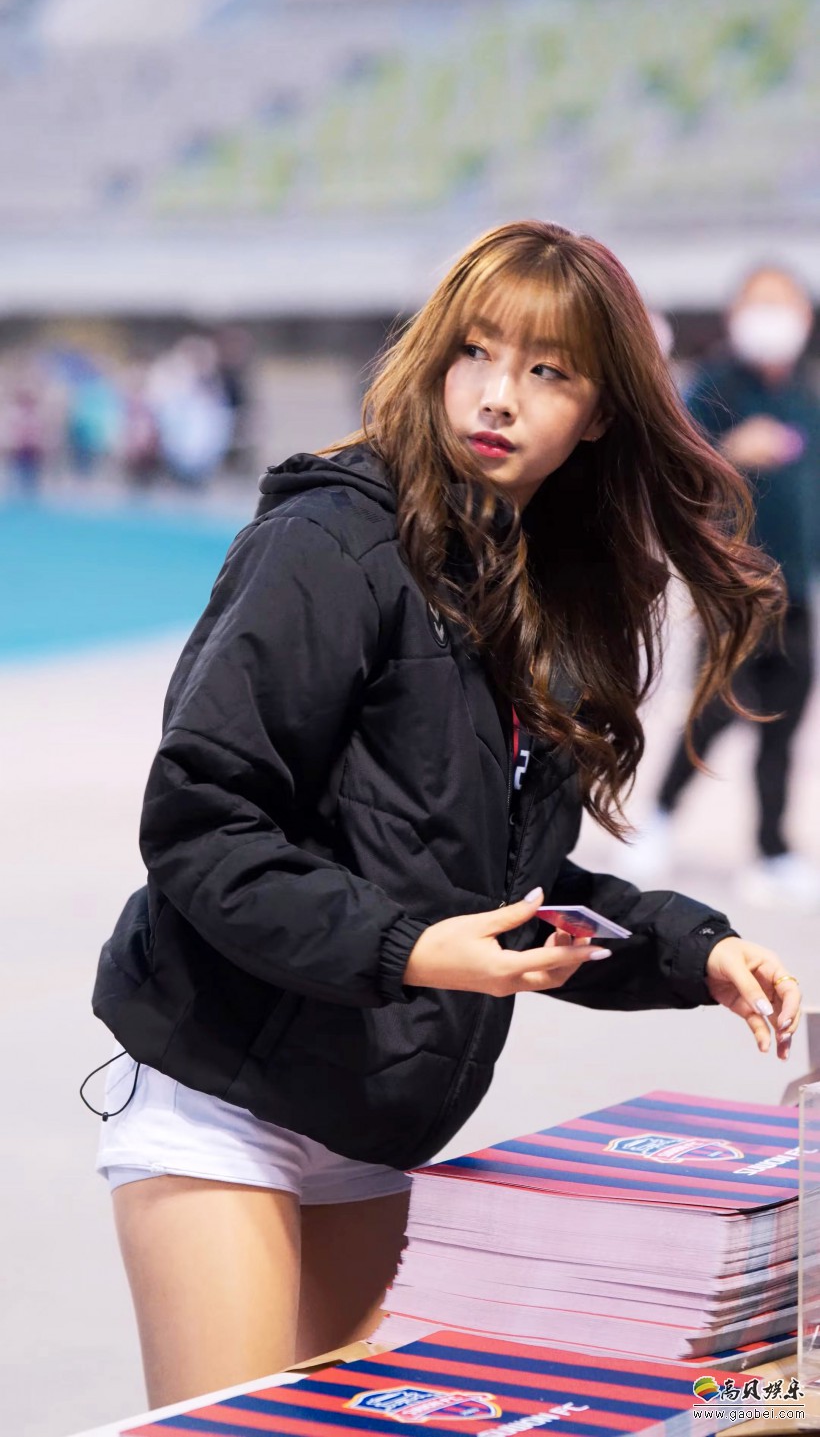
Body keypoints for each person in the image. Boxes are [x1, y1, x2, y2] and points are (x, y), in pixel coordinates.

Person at [88, 221, 802, 1407]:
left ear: (600, 412)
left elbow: (511, 887)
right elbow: (201, 825)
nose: (497, 395)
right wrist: (411, 948)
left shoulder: (550, 593)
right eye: (475, 350)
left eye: (548, 370)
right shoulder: (326, 542)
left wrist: (693, 947)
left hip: (376, 1116)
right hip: (223, 1091)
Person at [635, 266, 819, 906]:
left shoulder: (805, 394)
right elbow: (672, 470)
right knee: (716, 711)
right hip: (733, 590)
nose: (773, 318)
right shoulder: (714, 386)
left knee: (783, 728)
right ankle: (658, 816)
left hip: (795, 594)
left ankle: (772, 850)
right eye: (759, 303)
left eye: (784, 304)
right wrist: (731, 451)